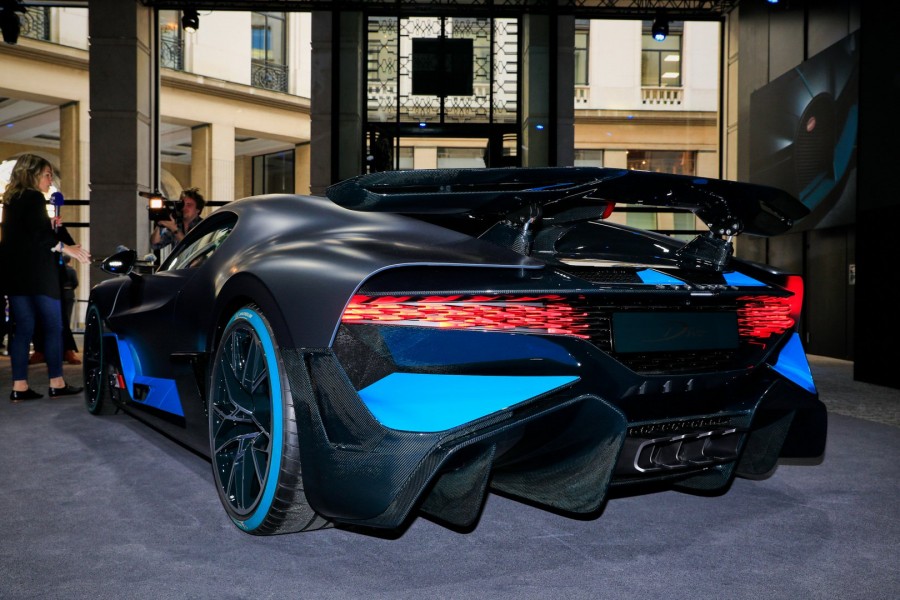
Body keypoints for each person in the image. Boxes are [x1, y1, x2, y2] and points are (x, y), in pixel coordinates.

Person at [0, 154, 91, 402]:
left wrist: (47, 224)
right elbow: (40, 238)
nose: (50, 180)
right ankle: (56, 383)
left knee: (23, 330)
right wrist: (67, 248)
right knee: (53, 327)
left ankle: (19, 387)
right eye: (47, 174)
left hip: (17, 276)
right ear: (32, 173)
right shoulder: (33, 197)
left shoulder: (12, 200)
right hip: (39, 274)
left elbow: (25, 235)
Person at [29, 254, 81, 365]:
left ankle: (67, 350)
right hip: (38, 282)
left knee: (61, 319)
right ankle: (40, 351)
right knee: (39, 318)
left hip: (55, 285)